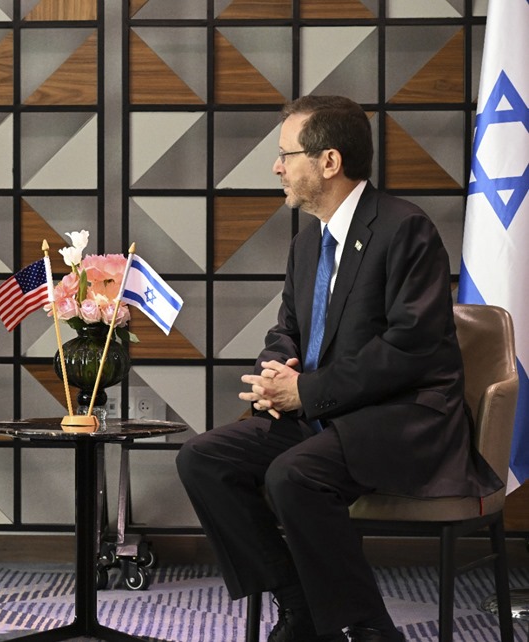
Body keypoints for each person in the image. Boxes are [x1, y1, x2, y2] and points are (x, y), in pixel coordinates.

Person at [176, 95, 501, 642]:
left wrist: (307, 391)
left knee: (293, 474)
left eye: (286, 154)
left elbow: (410, 348)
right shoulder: (308, 245)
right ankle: (299, 606)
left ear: (328, 161)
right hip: (328, 415)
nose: (277, 167)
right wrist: (273, 376)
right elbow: (287, 332)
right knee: (203, 459)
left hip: (401, 419)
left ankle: (369, 630)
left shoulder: (405, 229)